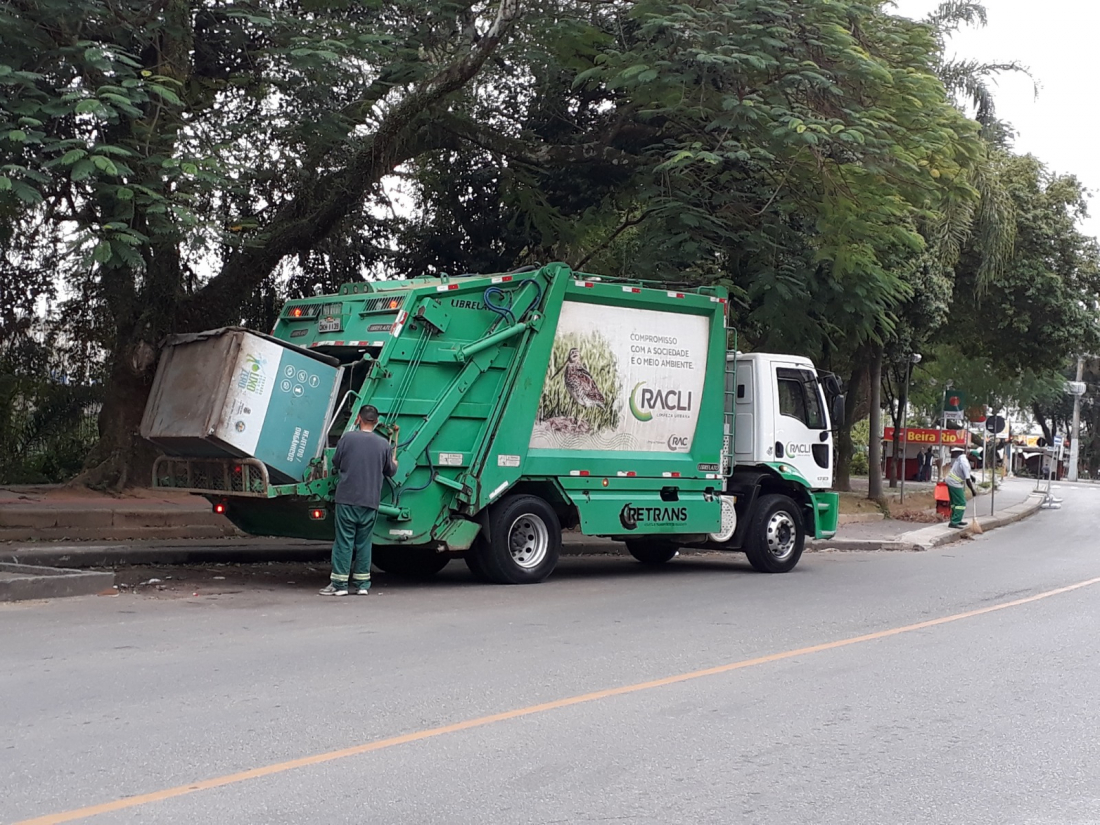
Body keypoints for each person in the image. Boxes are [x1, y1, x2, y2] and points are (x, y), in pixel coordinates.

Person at [320, 404, 398, 596]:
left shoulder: (347, 438)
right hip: (370, 500)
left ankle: (339, 585)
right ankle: (362, 585)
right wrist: (394, 463)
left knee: (344, 541)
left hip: (347, 498)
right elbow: (390, 471)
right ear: (377, 422)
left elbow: (337, 462)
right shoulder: (384, 444)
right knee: (364, 542)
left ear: (358, 419)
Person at [944, 446, 977, 529]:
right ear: (970, 455)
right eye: (975, 458)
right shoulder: (965, 463)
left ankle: (956, 519)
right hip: (955, 483)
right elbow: (967, 480)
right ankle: (955, 522)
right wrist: (972, 490)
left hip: (952, 481)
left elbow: (962, 471)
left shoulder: (962, 458)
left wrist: (971, 476)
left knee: (955, 503)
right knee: (961, 503)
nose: (976, 460)